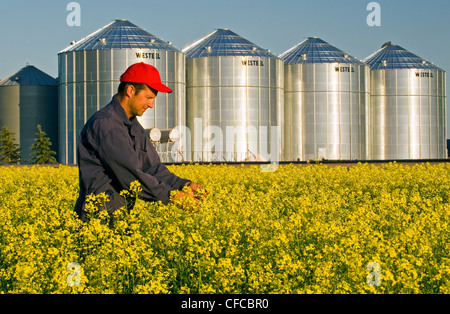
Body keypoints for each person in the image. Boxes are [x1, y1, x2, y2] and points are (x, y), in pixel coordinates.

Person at [74, 62, 204, 221]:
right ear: (130, 90)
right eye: (149, 97)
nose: (151, 105)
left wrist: (184, 185)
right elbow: (131, 175)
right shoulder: (106, 124)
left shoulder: (134, 127)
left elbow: (153, 168)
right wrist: (172, 196)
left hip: (120, 216)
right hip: (98, 218)